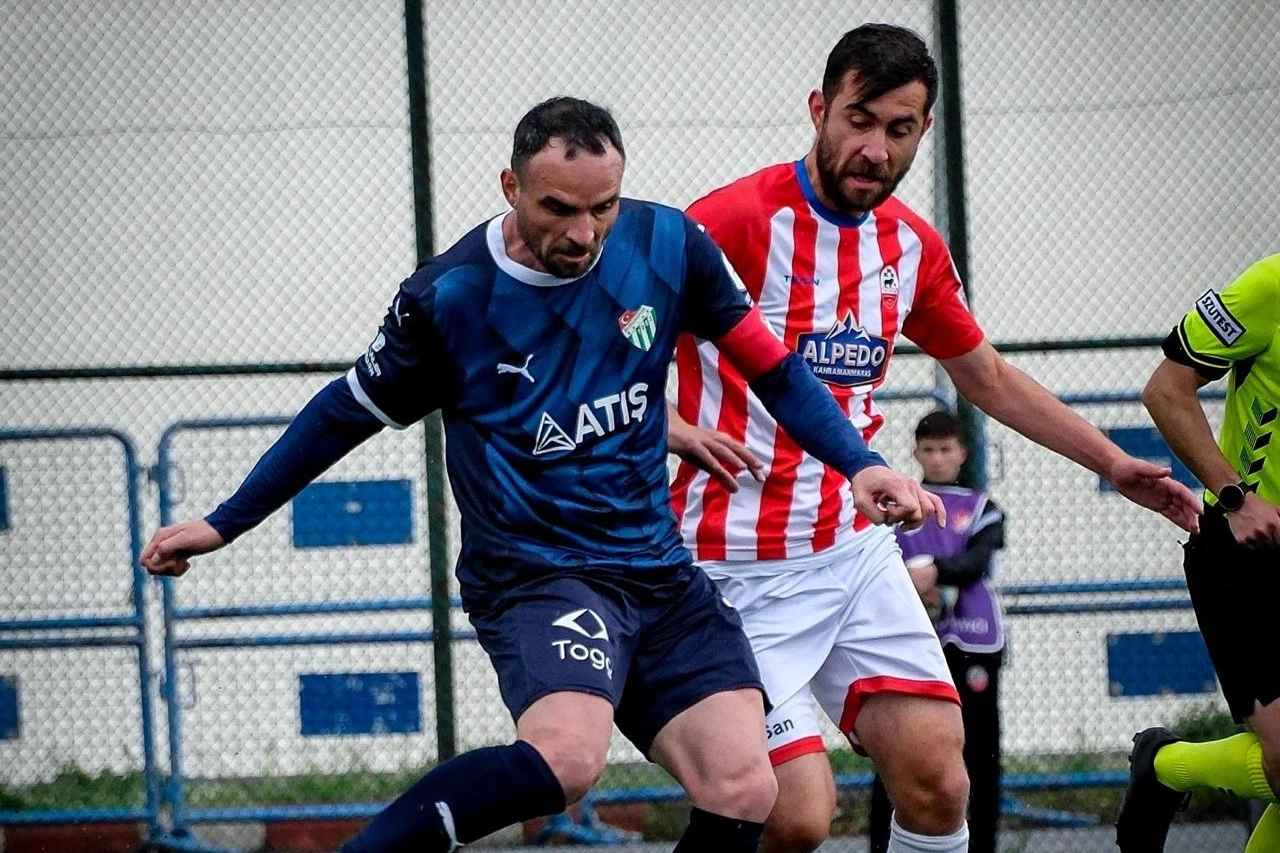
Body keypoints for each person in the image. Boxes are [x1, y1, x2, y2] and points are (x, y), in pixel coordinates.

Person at [140, 96, 944, 853]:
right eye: (559, 208)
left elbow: (775, 369)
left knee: (745, 785)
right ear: (511, 186)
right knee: (567, 759)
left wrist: (861, 462)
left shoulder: (666, 244)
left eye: (603, 207)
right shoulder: (451, 298)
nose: (584, 232)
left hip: (659, 572)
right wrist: (223, 521)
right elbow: (342, 413)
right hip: (539, 572)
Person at [666, 23, 1202, 853]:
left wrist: (1113, 461)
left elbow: (986, 376)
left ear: (922, 131)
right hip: (730, 570)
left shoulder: (909, 247)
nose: (875, 149)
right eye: (859, 120)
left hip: (851, 551)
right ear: (819, 109)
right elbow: (609, 343)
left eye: (900, 129)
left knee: (939, 782)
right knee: (794, 813)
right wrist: (668, 424)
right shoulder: (732, 221)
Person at [1116, 253, 1280, 853]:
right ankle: (1165, 766)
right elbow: (1165, 390)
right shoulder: (1270, 286)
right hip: (1249, 552)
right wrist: (1237, 498)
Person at [867, 410, 1007, 853]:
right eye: (929, 449)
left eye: (946, 449)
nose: (938, 458)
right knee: (898, 751)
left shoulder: (983, 508)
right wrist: (909, 582)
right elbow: (878, 560)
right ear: (916, 453)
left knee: (980, 753)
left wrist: (936, 571)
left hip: (972, 639)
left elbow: (978, 561)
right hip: (911, 641)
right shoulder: (900, 504)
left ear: (962, 453)